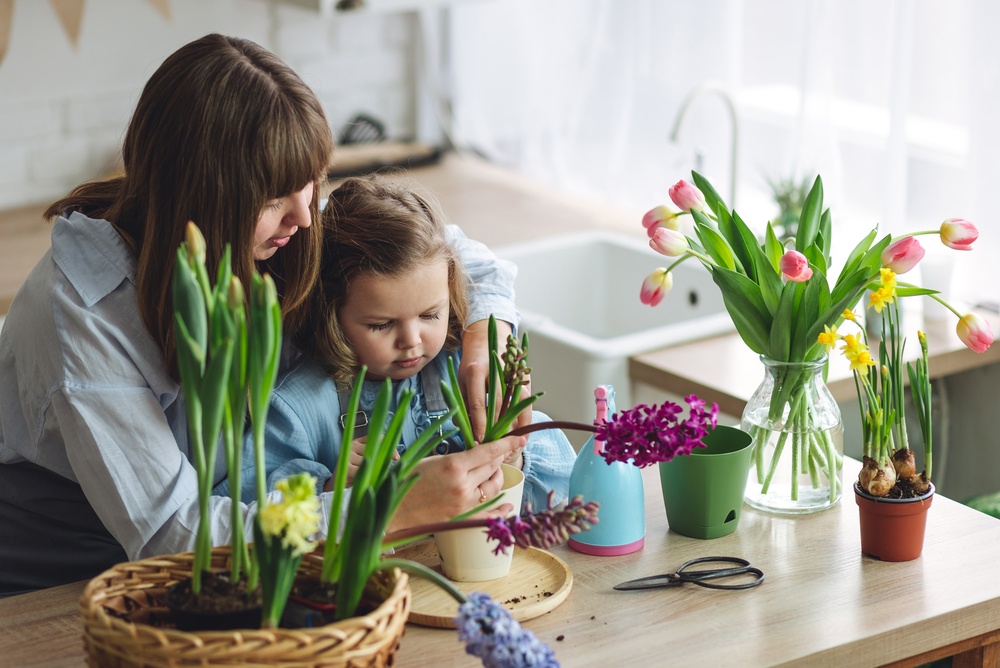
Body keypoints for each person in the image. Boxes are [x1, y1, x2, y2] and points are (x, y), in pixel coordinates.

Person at [0, 33, 522, 597]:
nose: (306, 214)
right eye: (275, 197)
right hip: (71, 573)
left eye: (313, 181)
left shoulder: (259, 225)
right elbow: (174, 536)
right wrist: (384, 507)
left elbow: (453, 253)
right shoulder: (85, 319)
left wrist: (482, 339)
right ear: (201, 194)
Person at [225, 176, 575, 526]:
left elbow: (563, 486)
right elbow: (238, 513)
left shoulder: (461, 368)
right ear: (330, 314)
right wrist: (333, 490)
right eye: (381, 324)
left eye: (430, 315)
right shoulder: (296, 409)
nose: (411, 340)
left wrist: (512, 463)